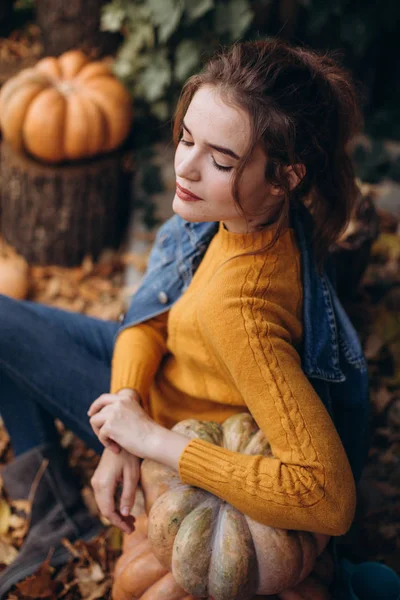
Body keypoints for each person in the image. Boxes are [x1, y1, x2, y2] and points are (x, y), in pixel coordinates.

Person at [0, 38, 369, 597]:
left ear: (285, 177)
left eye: (220, 160)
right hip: (166, 372)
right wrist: (122, 409)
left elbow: (327, 498)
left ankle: (52, 516)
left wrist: (148, 440)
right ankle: (53, 506)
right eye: (187, 139)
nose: (186, 168)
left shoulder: (239, 311)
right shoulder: (242, 217)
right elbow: (153, 315)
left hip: (178, 421)